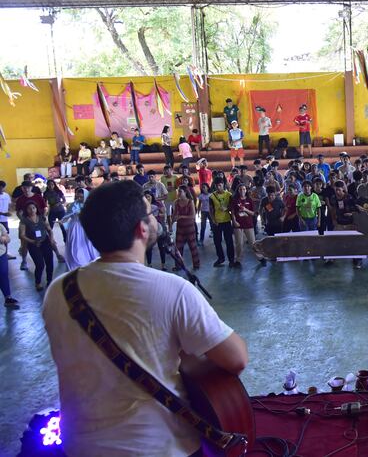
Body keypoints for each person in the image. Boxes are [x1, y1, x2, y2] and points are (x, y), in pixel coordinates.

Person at [42, 180, 247, 457]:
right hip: (160, 446)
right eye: (150, 213)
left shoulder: (59, 291)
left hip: (80, 446)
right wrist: (186, 356)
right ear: (141, 228)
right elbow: (236, 358)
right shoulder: (173, 290)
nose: (154, 217)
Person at [20, 202, 55, 291]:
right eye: (29, 208)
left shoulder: (42, 218)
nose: (32, 210)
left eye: (33, 208)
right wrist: (33, 241)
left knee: (49, 262)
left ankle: (50, 281)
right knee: (40, 264)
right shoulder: (24, 220)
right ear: (26, 210)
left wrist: (51, 240)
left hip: (45, 241)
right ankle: (38, 282)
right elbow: (22, 235)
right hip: (33, 244)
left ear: (36, 209)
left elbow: (49, 230)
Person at [210, 179, 236, 268]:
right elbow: (211, 210)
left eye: (220, 185)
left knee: (229, 241)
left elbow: (232, 207)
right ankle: (220, 258)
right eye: (217, 185)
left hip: (227, 221)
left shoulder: (229, 195)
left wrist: (227, 208)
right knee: (217, 242)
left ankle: (231, 260)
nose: (218, 187)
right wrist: (213, 220)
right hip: (217, 222)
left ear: (223, 185)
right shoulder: (212, 196)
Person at [173, 186, 199, 270]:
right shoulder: (176, 202)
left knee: (193, 246)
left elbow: (192, 215)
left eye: (180, 191)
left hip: (189, 227)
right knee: (178, 247)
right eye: (178, 192)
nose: (179, 193)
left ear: (185, 192)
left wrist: (181, 216)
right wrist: (171, 224)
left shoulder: (190, 202)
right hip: (180, 227)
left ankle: (196, 264)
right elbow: (174, 214)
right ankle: (178, 265)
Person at [230, 184, 255, 267]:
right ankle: (238, 260)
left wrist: (245, 209)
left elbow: (253, 213)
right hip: (238, 225)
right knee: (239, 243)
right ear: (238, 191)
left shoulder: (249, 200)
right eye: (240, 189)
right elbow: (232, 212)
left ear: (246, 190)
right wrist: (234, 221)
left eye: (244, 189)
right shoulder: (234, 200)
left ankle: (260, 257)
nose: (242, 191)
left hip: (248, 224)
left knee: (253, 243)